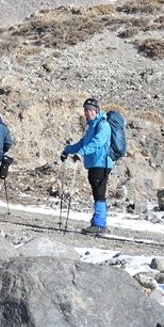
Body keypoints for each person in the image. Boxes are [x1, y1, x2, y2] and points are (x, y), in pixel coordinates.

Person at [60, 98, 114, 234]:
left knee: (99, 193)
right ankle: (99, 223)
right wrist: (67, 150)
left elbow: (97, 143)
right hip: (93, 164)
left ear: (96, 111)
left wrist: (81, 153)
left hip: (101, 164)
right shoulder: (91, 127)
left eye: (90, 110)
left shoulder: (103, 125)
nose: (87, 113)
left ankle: (99, 225)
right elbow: (82, 143)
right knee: (97, 193)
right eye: (85, 110)